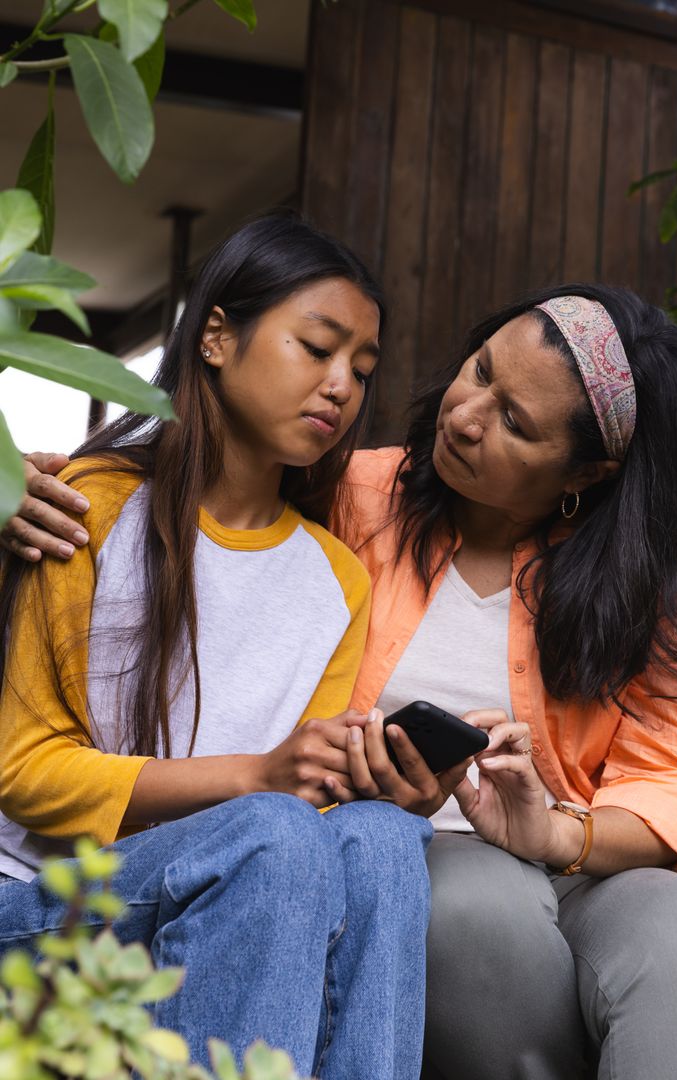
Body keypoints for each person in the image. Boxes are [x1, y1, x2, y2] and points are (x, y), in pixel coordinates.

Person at [11, 285, 677, 1079]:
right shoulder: (348, 493)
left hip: (584, 862)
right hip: (408, 851)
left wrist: (553, 833)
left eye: (515, 424)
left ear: (587, 471)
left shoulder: (667, 582)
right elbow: (193, 489)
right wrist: (20, 488)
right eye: (480, 370)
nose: (465, 416)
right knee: (473, 903)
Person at [0, 214, 468, 1080]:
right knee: (273, 831)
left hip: (224, 897)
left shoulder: (336, 580)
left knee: (382, 838)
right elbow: (25, 774)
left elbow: (304, 822)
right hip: (42, 909)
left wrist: (366, 781)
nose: (341, 387)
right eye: (316, 348)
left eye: (362, 370)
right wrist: (259, 778)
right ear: (216, 337)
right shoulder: (86, 505)